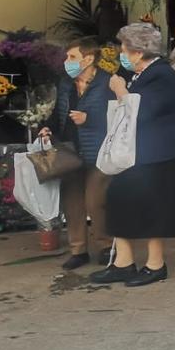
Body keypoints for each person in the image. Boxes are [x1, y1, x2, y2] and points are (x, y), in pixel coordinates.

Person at [89, 23, 175, 287]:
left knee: (153, 208)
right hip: (135, 151)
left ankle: (156, 265)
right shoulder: (139, 73)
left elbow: (145, 111)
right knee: (119, 200)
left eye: (124, 48)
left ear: (137, 50)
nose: (121, 53)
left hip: (156, 152)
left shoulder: (161, 74)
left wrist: (121, 91)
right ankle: (123, 262)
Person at [43, 38, 116, 270]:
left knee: (96, 201)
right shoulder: (65, 82)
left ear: (89, 58)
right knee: (72, 203)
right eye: (67, 57)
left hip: (98, 150)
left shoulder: (108, 83)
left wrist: (90, 119)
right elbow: (58, 112)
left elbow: (120, 116)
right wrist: (47, 128)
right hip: (69, 150)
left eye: (72, 57)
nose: (67, 62)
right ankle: (78, 250)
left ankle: (106, 246)